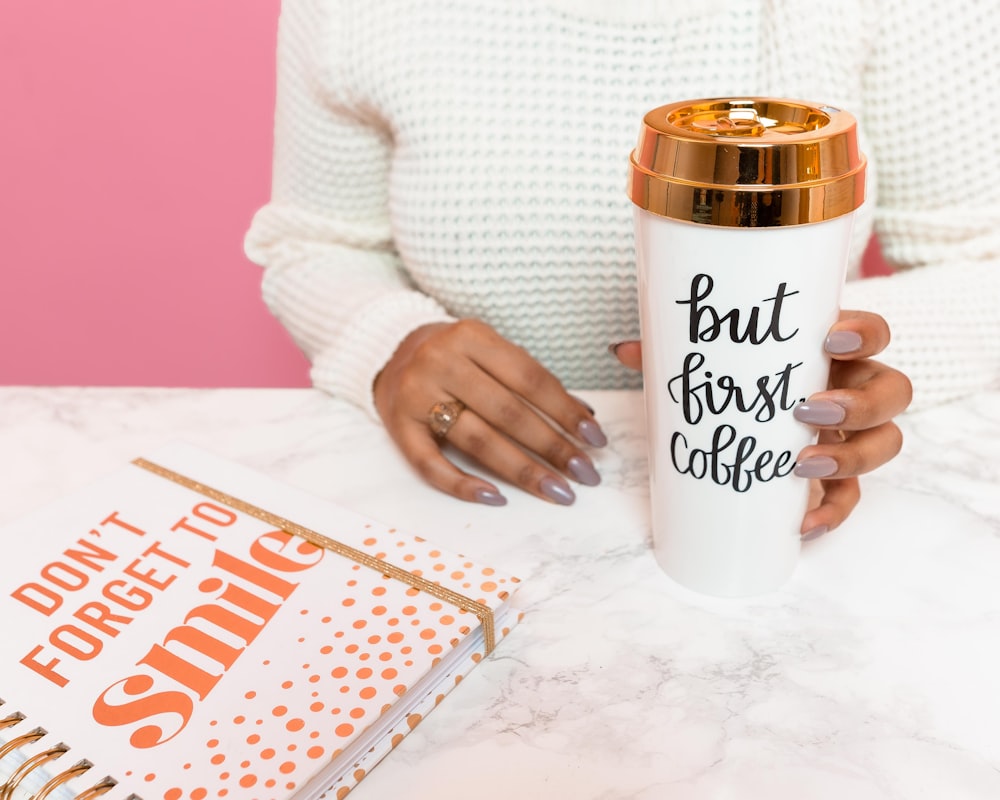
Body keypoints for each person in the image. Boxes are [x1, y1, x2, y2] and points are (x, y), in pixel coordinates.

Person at [245, 0, 998, 537]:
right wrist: (388, 340)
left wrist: (828, 362)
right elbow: (314, 241)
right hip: (479, 512)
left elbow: (981, 262)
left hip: (772, 491)